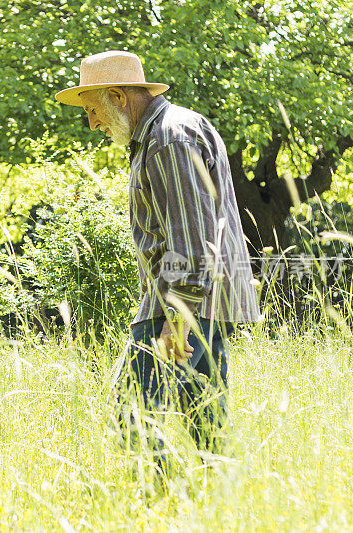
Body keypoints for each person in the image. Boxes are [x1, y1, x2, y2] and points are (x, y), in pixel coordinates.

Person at [55, 51, 262, 465]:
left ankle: (163, 500)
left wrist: (177, 316)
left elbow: (192, 234)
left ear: (118, 96)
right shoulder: (173, 129)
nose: (92, 122)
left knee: (128, 410)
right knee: (206, 423)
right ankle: (213, 510)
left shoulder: (168, 137)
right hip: (208, 298)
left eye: (93, 109)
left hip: (184, 301)